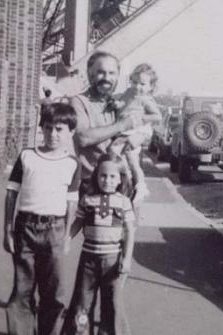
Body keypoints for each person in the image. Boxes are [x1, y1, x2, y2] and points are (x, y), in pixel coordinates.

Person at [4, 103, 81, 335]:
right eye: (48, 128)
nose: (53, 134)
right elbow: (11, 193)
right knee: (22, 288)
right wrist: (7, 229)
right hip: (25, 228)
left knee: (53, 291)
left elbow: (71, 203)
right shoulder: (27, 156)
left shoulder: (71, 164)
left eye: (59, 129)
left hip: (54, 230)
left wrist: (67, 235)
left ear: (71, 132)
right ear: (42, 128)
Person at [63, 154, 135, 335]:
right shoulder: (88, 199)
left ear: (120, 179)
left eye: (112, 176)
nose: (107, 180)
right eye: (103, 175)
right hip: (88, 259)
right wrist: (66, 238)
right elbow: (78, 223)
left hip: (112, 261)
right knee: (83, 301)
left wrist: (126, 259)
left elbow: (129, 232)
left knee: (111, 304)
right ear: (96, 176)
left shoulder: (124, 202)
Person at [69, 51, 142, 198]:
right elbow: (83, 137)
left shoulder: (121, 103)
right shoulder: (79, 101)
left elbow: (140, 131)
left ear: (118, 76)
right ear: (90, 74)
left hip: (121, 184)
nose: (107, 78)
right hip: (91, 184)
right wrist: (121, 125)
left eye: (112, 73)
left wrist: (139, 136)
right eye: (101, 72)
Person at [109, 63, 162, 203]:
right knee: (115, 153)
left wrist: (140, 118)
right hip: (126, 131)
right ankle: (126, 182)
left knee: (131, 157)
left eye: (143, 84)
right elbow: (122, 104)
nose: (138, 87)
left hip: (139, 130)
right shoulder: (128, 92)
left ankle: (141, 185)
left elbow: (158, 116)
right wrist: (117, 105)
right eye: (135, 82)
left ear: (151, 87)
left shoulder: (146, 99)